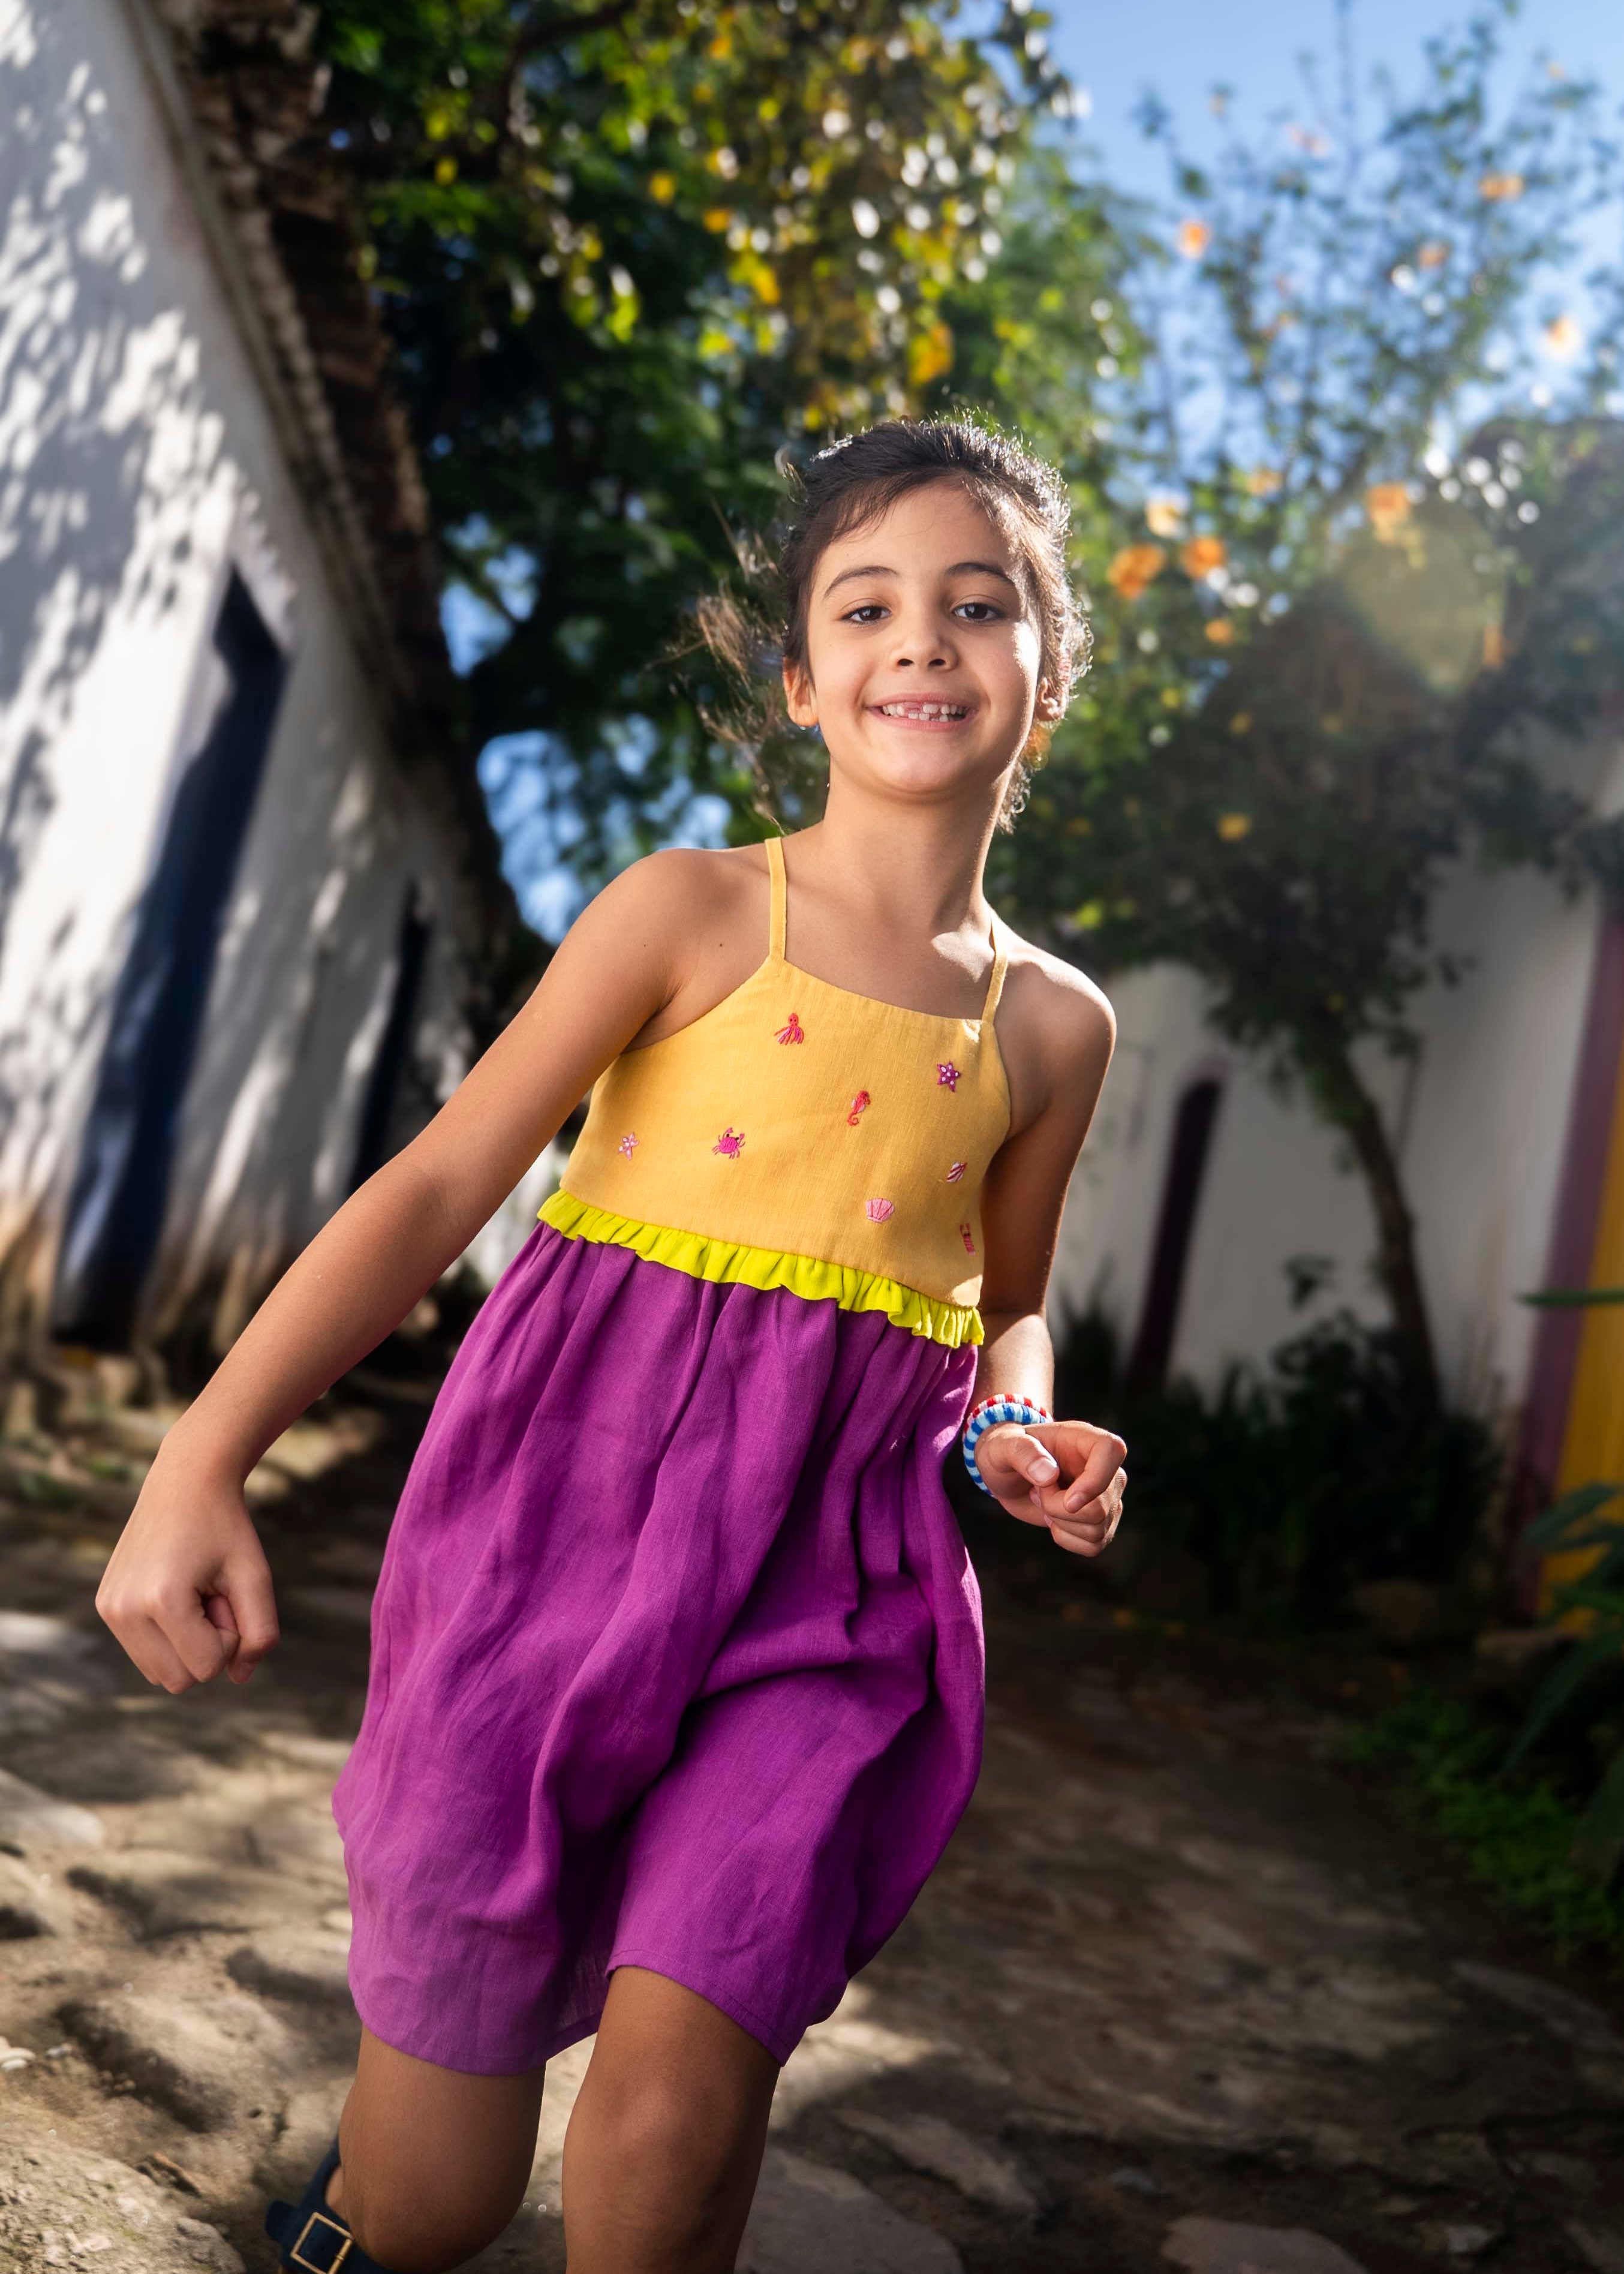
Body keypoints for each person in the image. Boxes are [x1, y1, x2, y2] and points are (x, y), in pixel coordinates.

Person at [94, 415, 1127, 2274]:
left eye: (980, 604)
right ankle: (359, 2214)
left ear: (1046, 676)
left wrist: (1018, 1432)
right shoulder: (689, 910)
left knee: (675, 2115)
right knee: (436, 2203)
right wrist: (201, 1455)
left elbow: (1007, 1304)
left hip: (838, 1584)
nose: (922, 637)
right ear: (799, 680)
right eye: (865, 605)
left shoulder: (1055, 1028)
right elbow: (436, 1185)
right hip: (548, 1538)